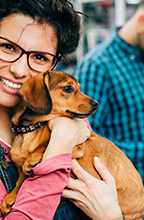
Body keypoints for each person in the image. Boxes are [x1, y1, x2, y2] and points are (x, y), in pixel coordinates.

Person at [0, 0, 123, 219]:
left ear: (53, 67)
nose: (19, 70)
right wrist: (60, 144)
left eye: (39, 57)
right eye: (8, 47)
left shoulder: (64, 111)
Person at [73, 0, 144, 182]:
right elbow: (82, 137)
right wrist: (139, 149)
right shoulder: (97, 66)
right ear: (142, 20)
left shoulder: (139, 58)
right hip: (121, 190)